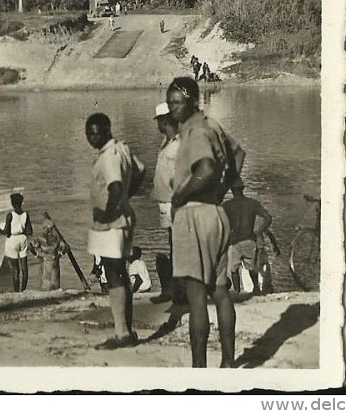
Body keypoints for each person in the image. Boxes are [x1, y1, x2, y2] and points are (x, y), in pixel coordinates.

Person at [167, 75, 244, 368]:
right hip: (217, 213)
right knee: (220, 290)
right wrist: (224, 189)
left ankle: (199, 371)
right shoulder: (212, 125)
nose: (173, 108)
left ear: (192, 101)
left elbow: (207, 168)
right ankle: (227, 363)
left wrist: (180, 195)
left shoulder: (196, 131)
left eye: (178, 102)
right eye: (170, 102)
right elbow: (238, 153)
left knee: (197, 296)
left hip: (194, 214)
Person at [86, 112, 145, 350]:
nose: (92, 137)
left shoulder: (109, 156)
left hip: (112, 222)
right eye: (89, 133)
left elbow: (116, 186)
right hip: (122, 217)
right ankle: (125, 330)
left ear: (107, 131)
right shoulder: (122, 148)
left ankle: (122, 333)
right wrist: (127, 198)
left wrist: (110, 211)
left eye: (96, 133)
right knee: (118, 272)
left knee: (114, 274)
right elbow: (140, 172)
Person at [150, 102, 182, 303]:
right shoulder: (167, 142)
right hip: (166, 204)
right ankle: (175, 289)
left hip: (175, 203)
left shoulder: (178, 143)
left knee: (178, 245)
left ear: (164, 121)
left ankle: (179, 290)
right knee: (173, 244)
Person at [222, 179, 274, 294]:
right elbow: (268, 218)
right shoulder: (252, 204)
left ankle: (236, 291)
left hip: (234, 241)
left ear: (232, 190)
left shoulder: (227, 206)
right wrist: (259, 231)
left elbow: (219, 222)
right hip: (249, 239)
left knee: (234, 270)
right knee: (252, 268)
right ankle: (256, 289)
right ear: (243, 189)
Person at [0, 192, 33, 293]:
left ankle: (17, 292)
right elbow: (30, 231)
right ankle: (24, 290)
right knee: (24, 268)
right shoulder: (26, 215)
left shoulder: (10, 215)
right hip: (23, 239)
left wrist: (0, 229)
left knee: (15, 269)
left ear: (12, 203)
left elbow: (6, 232)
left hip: (12, 239)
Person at [32, 213, 68, 291]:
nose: (44, 229)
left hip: (49, 261)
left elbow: (66, 248)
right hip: (50, 261)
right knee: (50, 283)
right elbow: (65, 247)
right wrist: (37, 255)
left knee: (50, 284)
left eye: (46, 228)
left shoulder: (50, 237)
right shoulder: (51, 237)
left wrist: (37, 255)